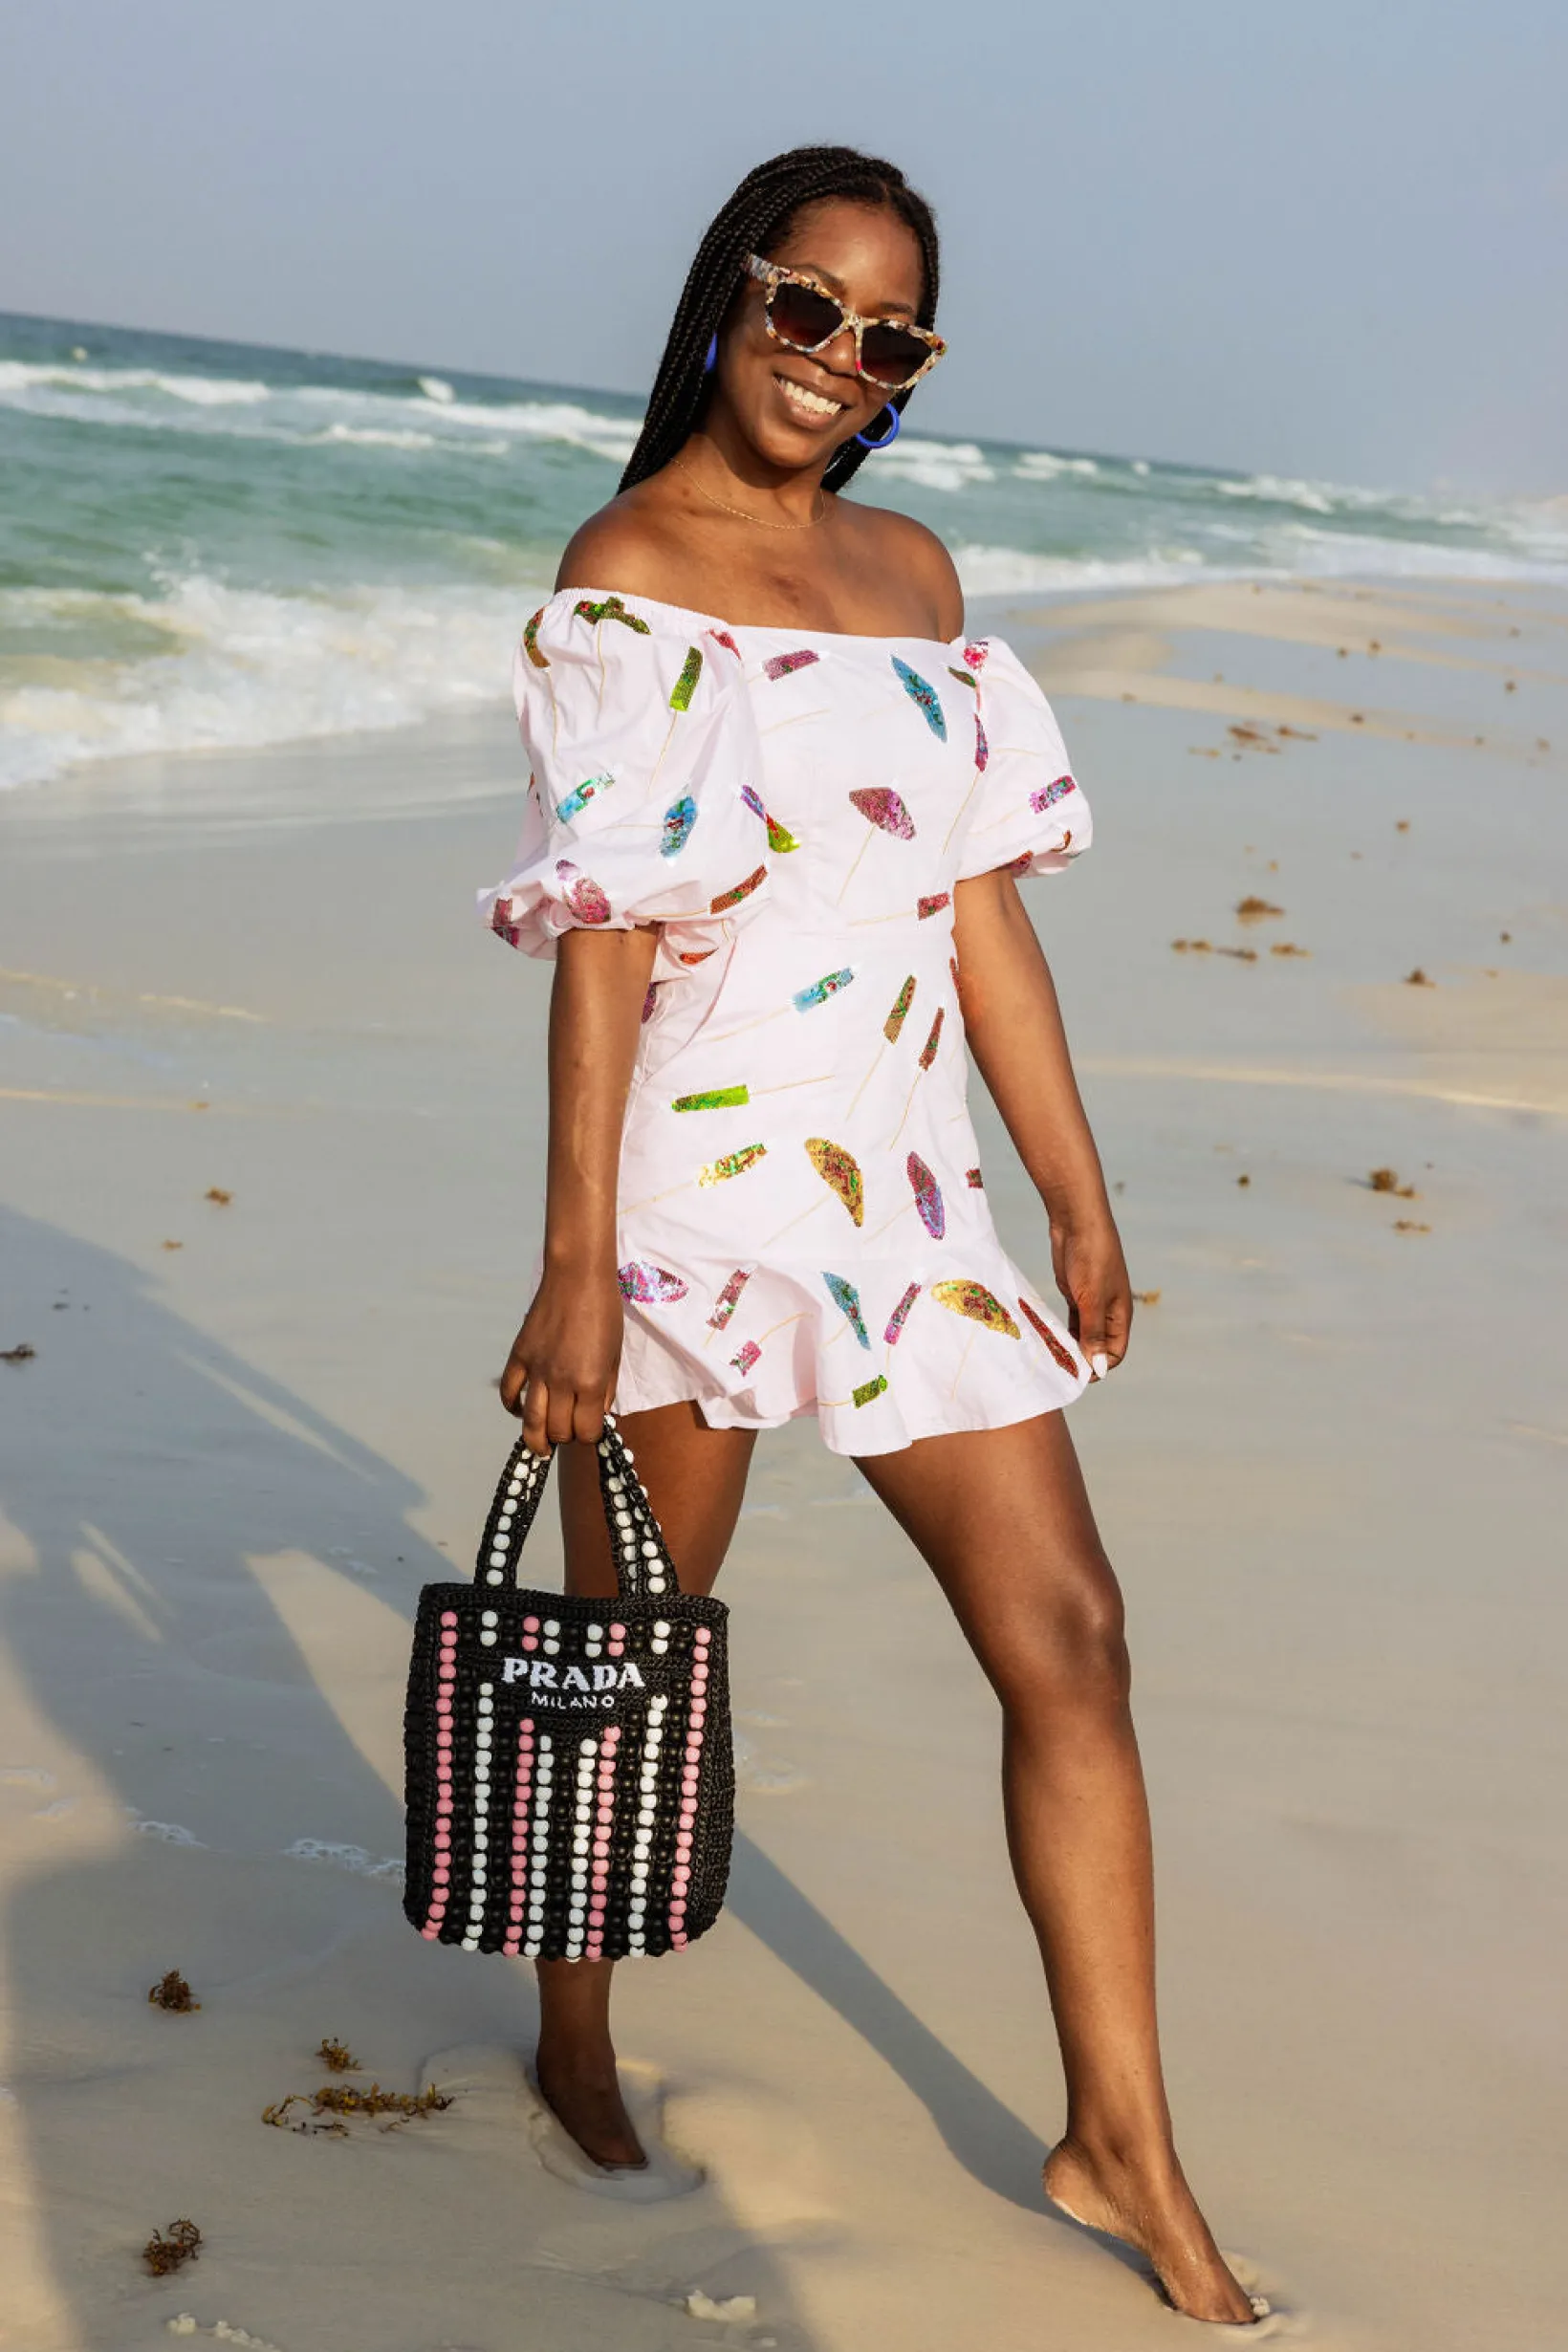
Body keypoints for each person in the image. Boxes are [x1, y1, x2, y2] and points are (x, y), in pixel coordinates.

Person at [481, 144, 1263, 2327]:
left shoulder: (917, 579)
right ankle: (572, 2031)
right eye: (805, 305)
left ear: (914, 369)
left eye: (886, 334)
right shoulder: (629, 568)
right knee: (633, 1646)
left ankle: (1122, 2144)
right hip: (698, 1195)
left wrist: (1074, 1189)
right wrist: (574, 1267)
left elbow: (976, 910)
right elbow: (605, 942)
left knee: (1073, 1637)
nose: (836, 357)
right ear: (731, 296)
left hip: (910, 1204)